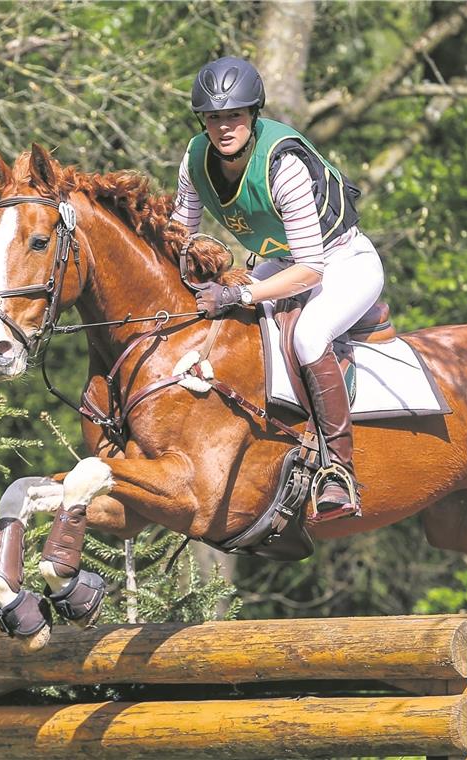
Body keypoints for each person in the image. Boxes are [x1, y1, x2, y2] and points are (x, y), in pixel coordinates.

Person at [171, 56, 385, 517]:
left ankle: (337, 469)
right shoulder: (194, 159)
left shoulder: (282, 162)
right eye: (214, 117)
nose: (224, 126)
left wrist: (240, 292)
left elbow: (311, 270)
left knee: (308, 337)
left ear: (253, 114)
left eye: (234, 115)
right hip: (279, 263)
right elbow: (179, 236)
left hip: (343, 261)